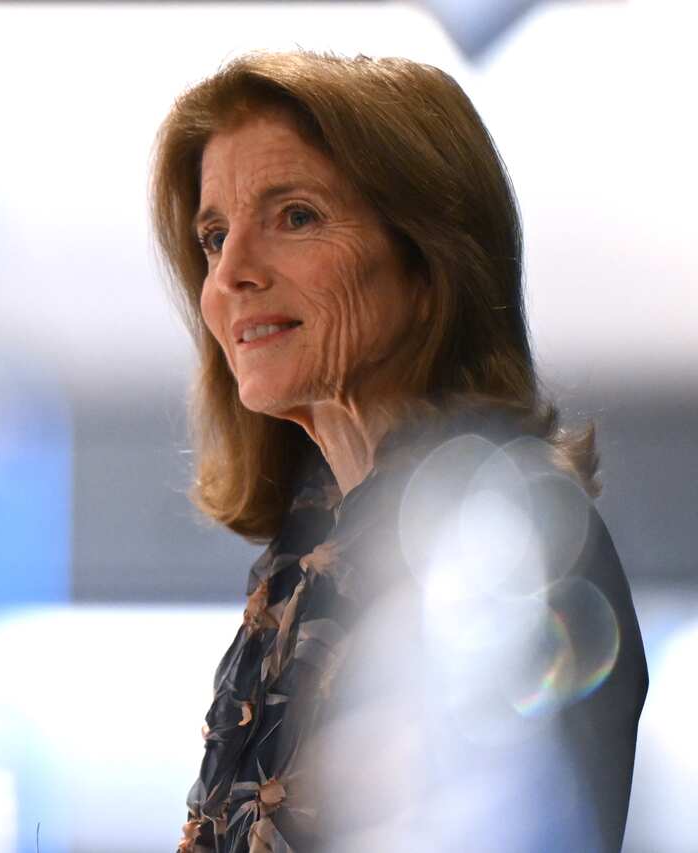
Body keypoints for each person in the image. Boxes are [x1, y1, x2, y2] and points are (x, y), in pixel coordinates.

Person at [149, 51, 648, 853]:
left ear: (428, 267)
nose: (231, 272)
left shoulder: (496, 532)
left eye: (297, 216)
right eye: (213, 236)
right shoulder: (302, 555)